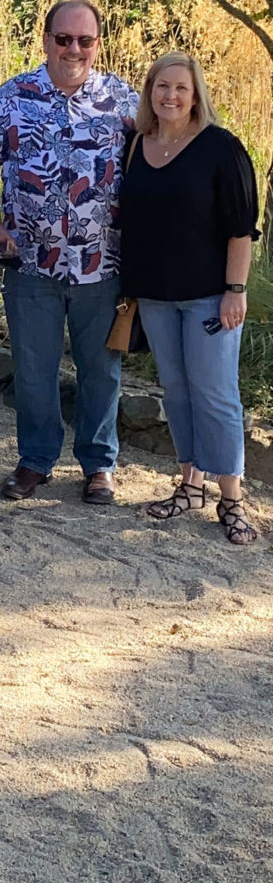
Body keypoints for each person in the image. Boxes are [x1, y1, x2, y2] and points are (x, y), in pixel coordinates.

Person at [0, 0, 139, 505]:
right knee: (33, 369)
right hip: (30, 263)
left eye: (84, 40)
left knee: (101, 370)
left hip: (102, 263)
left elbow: (158, 159)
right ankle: (36, 460)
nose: (73, 49)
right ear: (45, 40)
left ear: (97, 44)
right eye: (63, 38)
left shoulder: (125, 101)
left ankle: (98, 464)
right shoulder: (11, 97)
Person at [117, 52, 258, 543]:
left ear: (196, 93)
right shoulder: (137, 144)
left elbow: (242, 229)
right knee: (176, 391)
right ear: (149, 92)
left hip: (209, 297)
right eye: (161, 87)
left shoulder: (221, 148)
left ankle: (233, 498)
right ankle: (190, 484)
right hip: (156, 296)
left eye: (180, 87)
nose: (170, 96)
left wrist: (235, 290)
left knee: (216, 395)